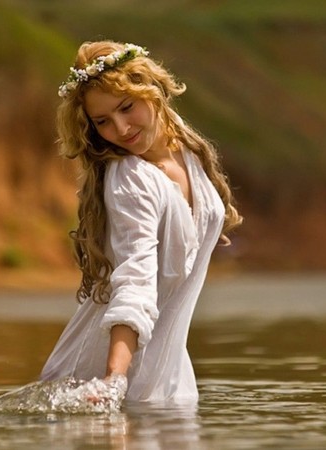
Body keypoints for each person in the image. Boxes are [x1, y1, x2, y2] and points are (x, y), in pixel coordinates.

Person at [40, 40, 242, 404]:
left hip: (170, 383)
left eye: (126, 107)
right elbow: (135, 281)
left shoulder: (180, 138)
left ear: (149, 91)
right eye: (103, 121)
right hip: (96, 382)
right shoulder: (131, 178)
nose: (121, 128)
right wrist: (114, 379)